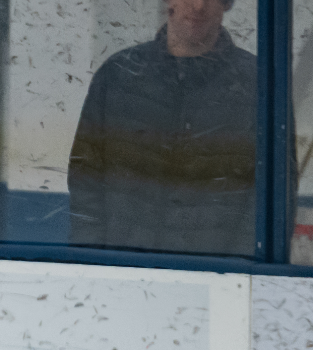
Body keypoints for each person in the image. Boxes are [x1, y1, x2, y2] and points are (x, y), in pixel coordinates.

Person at [67, 0, 258, 256]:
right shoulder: (118, 76)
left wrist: (238, 269)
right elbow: (86, 176)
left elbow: (273, 194)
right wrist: (95, 258)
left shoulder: (259, 84)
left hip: (220, 279)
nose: (199, 6)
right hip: (124, 273)